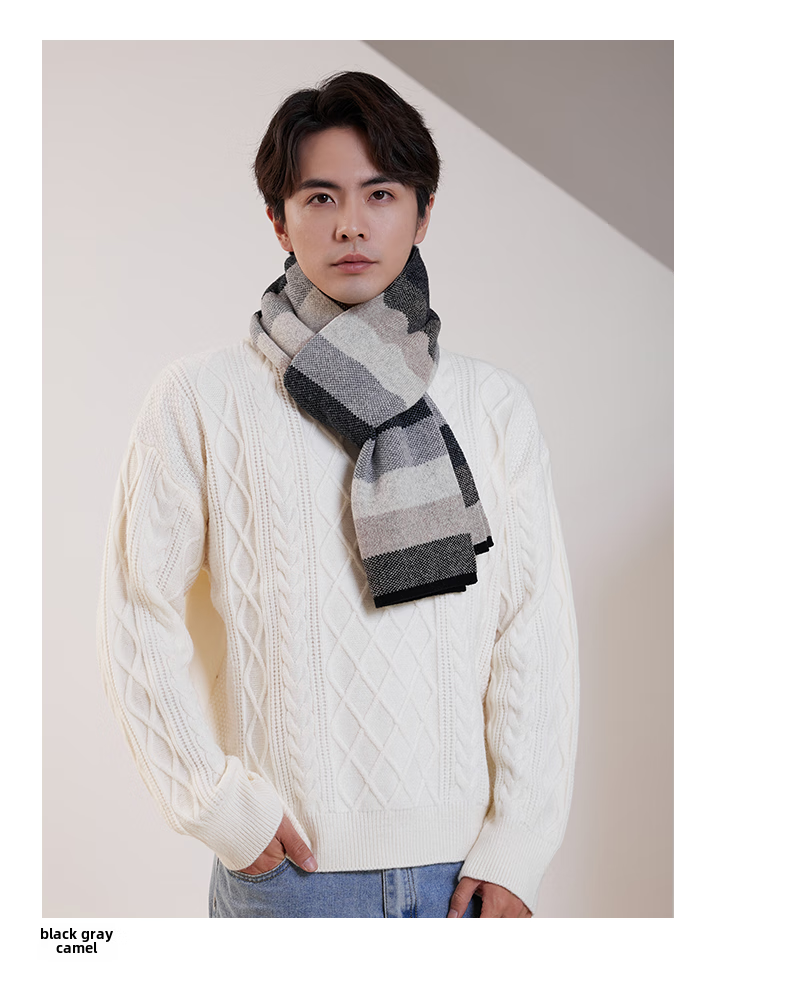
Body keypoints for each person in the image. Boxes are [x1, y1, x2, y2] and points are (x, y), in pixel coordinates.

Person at [97, 70, 579, 919]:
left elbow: (532, 631)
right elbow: (136, 612)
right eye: (319, 197)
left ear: (422, 214)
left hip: (464, 877)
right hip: (287, 878)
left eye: (379, 193)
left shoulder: (492, 405)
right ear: (279, 220)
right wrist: (217, 806)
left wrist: (520, 847)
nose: (351, 223)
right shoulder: (201, 398)